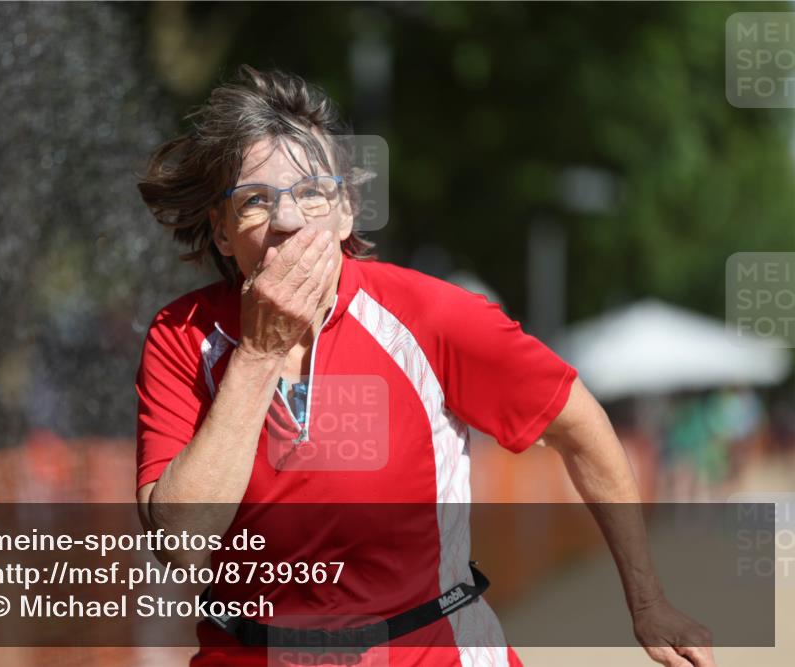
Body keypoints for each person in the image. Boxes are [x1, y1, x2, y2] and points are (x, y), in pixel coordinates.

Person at [135, 65, 716, 667]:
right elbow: (180, 544)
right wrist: (258, 354)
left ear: (345, 213)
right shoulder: (181, 337)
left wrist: (648, 602)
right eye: (256, 201)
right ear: (223, 232)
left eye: (311, 192)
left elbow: (583, 429)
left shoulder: (430, 316)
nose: (287, 222)